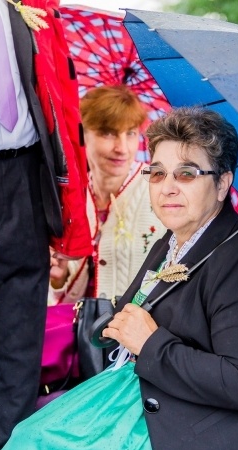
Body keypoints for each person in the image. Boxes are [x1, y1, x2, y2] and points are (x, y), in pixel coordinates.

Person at [0, 107, 238, 450]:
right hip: (155, 395)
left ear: (222, 184)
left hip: (216, 427)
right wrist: (120, 324)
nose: (167, 186)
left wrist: (151, 343)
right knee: (27, 438)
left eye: (187, 173)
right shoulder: (173, 241)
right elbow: (136, 310)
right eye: (157, 173)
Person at [0, 0, 89, 450]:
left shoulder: (37, 8)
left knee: (18, 349)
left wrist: (67, 211)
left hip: (26, 178)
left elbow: (60, 101)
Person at [50, 85, 164, 304]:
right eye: (108, 133)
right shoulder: (71, 194)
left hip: (132, 330)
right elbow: (58, 289)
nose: (122, 148)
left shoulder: (160, 189)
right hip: (74, 326)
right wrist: (58, 278)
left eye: (130, 133)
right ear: (83, 133)